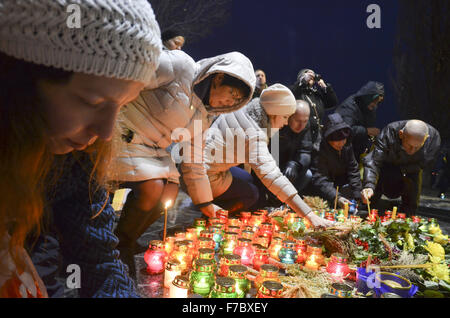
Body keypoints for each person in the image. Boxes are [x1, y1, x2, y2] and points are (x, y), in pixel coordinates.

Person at [0, 0, 162, 298]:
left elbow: (97, 259)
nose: (106, 132)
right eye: (92, 102)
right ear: (19, 80)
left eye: (123, 106)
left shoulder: (73, 159)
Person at [113, 50, 255, 268]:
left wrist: (206, 203)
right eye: (231, 93)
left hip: (152, 150)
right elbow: (131, 75)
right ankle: (119, 246)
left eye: (236, 101)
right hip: (122, 133)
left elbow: (194, 160)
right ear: (218, 77)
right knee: (152, 188)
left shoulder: (205, 115)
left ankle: (128, 238)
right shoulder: (180, 67)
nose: (229, 102)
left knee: (169, 191)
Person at [204, 84, 333, 228]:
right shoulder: (253, 134)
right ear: (273, 112)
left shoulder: (246, 110)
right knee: (252, 194)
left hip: (202, 165)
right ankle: (215, 217)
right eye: (284, 117)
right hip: (203, 178)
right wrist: (309, 215)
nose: (285, 123)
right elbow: (273, 177)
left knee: (247, 178)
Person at [362, 120, 441, 216]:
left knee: (411, 203)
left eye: (417, 147)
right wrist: (369, 186)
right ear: (401, 134)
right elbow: (374, 160)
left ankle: (407, 219)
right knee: (370, 197)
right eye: (409, 145)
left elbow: (424, 164)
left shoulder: (433, 139)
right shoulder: (390, 132)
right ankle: (366, 212)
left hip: (412, 170)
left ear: (426, 138)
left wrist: (403, 172)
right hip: (386, 166)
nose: (412, 151)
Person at [310, 113, 362, 207]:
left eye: (344, 139)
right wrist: (337, 197)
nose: (341, 143)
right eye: (337, 141)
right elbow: (320, 179)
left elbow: (353, 168)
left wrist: (358, 194)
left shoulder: (346, 145)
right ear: (329, 139)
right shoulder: (319, 149)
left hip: (341, 183)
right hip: (325, 188)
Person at [290, 68, 339, 151]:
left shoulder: (316, 95)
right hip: (301, 137)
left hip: (317, 137)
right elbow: (291, 94)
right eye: (307, 73)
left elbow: (333, 102)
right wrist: (302, 82)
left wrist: (325, 87)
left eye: (312, 74)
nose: (311, 75)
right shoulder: (297, 92)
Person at [336, 81, 384, 162]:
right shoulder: (349, 106)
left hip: (358, 152)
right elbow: (344, 130)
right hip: (342, 153)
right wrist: (367, 131)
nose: (375, 104)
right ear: (368, 97)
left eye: (378, 102)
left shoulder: (370, 108)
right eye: (375, 100)